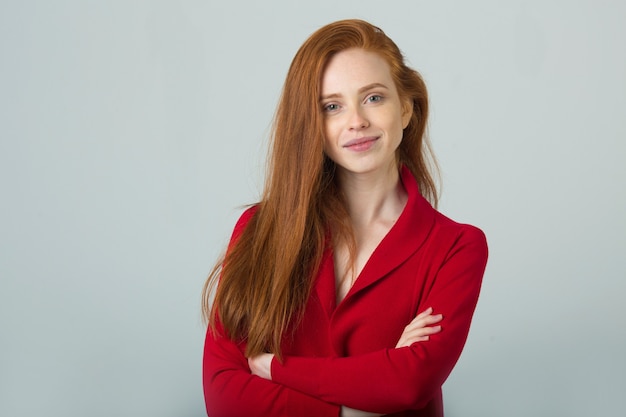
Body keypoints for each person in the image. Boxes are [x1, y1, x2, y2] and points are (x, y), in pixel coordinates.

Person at [201, 19, 488, 417]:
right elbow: (224, 398)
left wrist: (274, 369)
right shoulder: (258, 229)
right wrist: (360, 402)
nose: (357, 121)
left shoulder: (456, 247)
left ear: (405, 108)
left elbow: (408, 385)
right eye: (332, 106)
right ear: (312, 125)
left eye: (373, 98)